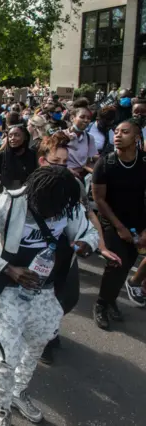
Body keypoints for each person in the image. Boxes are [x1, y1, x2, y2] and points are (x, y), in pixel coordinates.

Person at [0, 166, 98, 426]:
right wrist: (7, 268)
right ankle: (2, 409)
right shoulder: (10, 202)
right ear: (36, 197)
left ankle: (17, 392)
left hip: (47, 290)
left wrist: (85, 245)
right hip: (9, 290)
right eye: (49, 209)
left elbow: (89, 233)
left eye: (59, 210)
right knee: (7, 356)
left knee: (38, 343)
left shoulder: (67, 203)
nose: (54, 215)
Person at [34, 134, 121, 364]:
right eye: (56, 162)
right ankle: (43, 340)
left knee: (68, 297)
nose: (63, 168)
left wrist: (98, 244)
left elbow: (88, 214)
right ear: (43, 162)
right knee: (41, 301)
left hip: (65, 252)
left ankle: (49, 329)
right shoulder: (29, 186)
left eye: (66, 163)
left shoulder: (73, 183)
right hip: (37, 255)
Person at [92, 119, 146, 328]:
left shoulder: (143, 162)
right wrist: (120, 228)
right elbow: (99, 199)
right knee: (116, 262)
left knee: (127, 264)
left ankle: (111, 299)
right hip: (111, 221)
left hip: (139, 223)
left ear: (136, 137)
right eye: (116, 132)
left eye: (124, 132)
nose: (117, 135)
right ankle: (101, 304)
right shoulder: (106, 163)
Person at [0, 125, 37, 205]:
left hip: (27, 200)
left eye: (17, 135)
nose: (12, 138)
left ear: (25, 137)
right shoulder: (2, 156)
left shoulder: (33, 155)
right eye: (10, 136)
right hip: (4, 199)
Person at [65, 108, 96, 182]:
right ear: (72, 118)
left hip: (80, 177)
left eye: (88, 118)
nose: (86, 120)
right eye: (82, 117)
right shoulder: (60, 135)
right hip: (63, 175)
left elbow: (88, 162)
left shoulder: (89, 138)